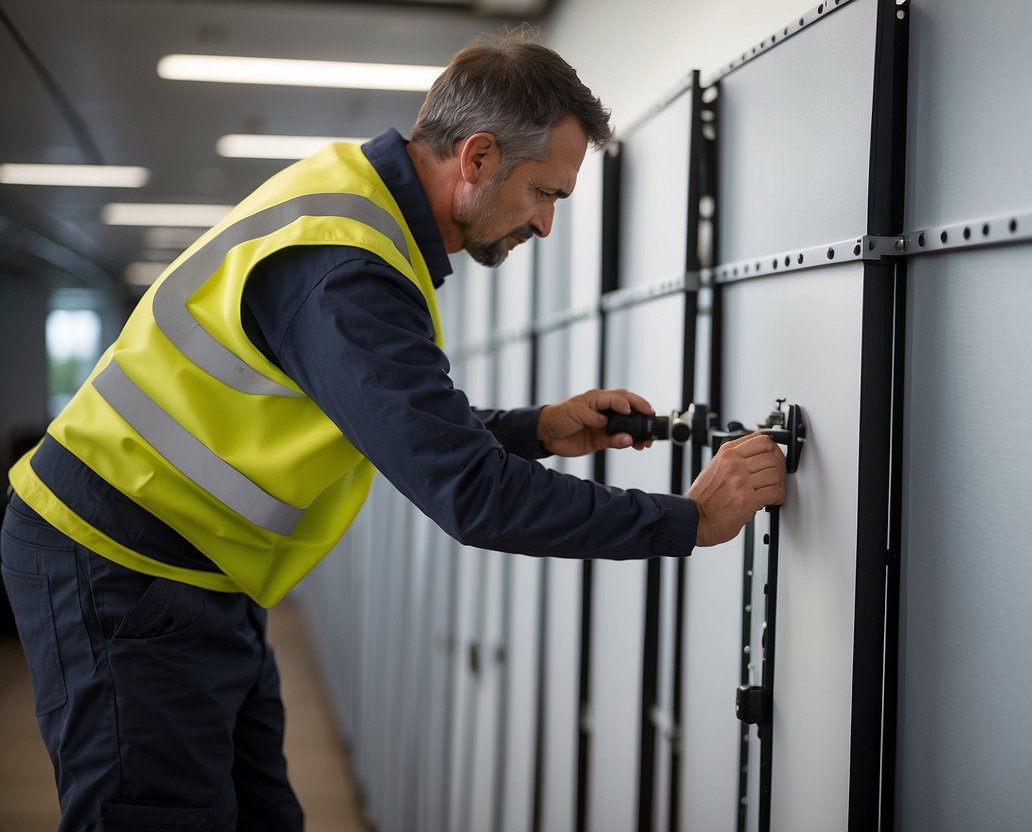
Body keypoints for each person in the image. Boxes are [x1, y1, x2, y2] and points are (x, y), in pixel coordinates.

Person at [0, 28, 787, 831]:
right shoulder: (350, 267)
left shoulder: (358, 210)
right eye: (545, 194)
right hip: (118, 567)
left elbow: (376, 417)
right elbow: (472, 496)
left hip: (189, 571)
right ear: (477, 158)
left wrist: (535, 428)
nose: (545, 225)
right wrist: (690, 519)